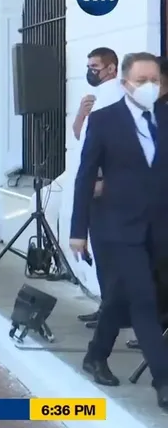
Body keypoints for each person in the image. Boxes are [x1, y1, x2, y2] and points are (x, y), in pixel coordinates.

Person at [69, 52, 168, 409]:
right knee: (142, 299)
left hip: (159, 229)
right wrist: (77, 229)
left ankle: (96, 355)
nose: (149, 87)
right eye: (141, 81)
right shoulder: (105, 121)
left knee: (122, 296)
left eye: (154, 80)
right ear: (125, 83)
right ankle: (163, 380)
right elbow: (84, 177)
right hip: (116, 226)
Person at [70, 47, 123, 328]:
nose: (91, 71)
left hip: (102, 186)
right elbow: (80, 135)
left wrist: (102, 180)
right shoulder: (97, 98)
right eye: (89, 65)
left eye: (96, 66)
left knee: (108, 253)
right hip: (91, 182)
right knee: (100, 253)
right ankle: (106, 306)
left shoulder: (114, 94)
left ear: (112, 68)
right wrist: (81, 112)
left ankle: (112, 311)